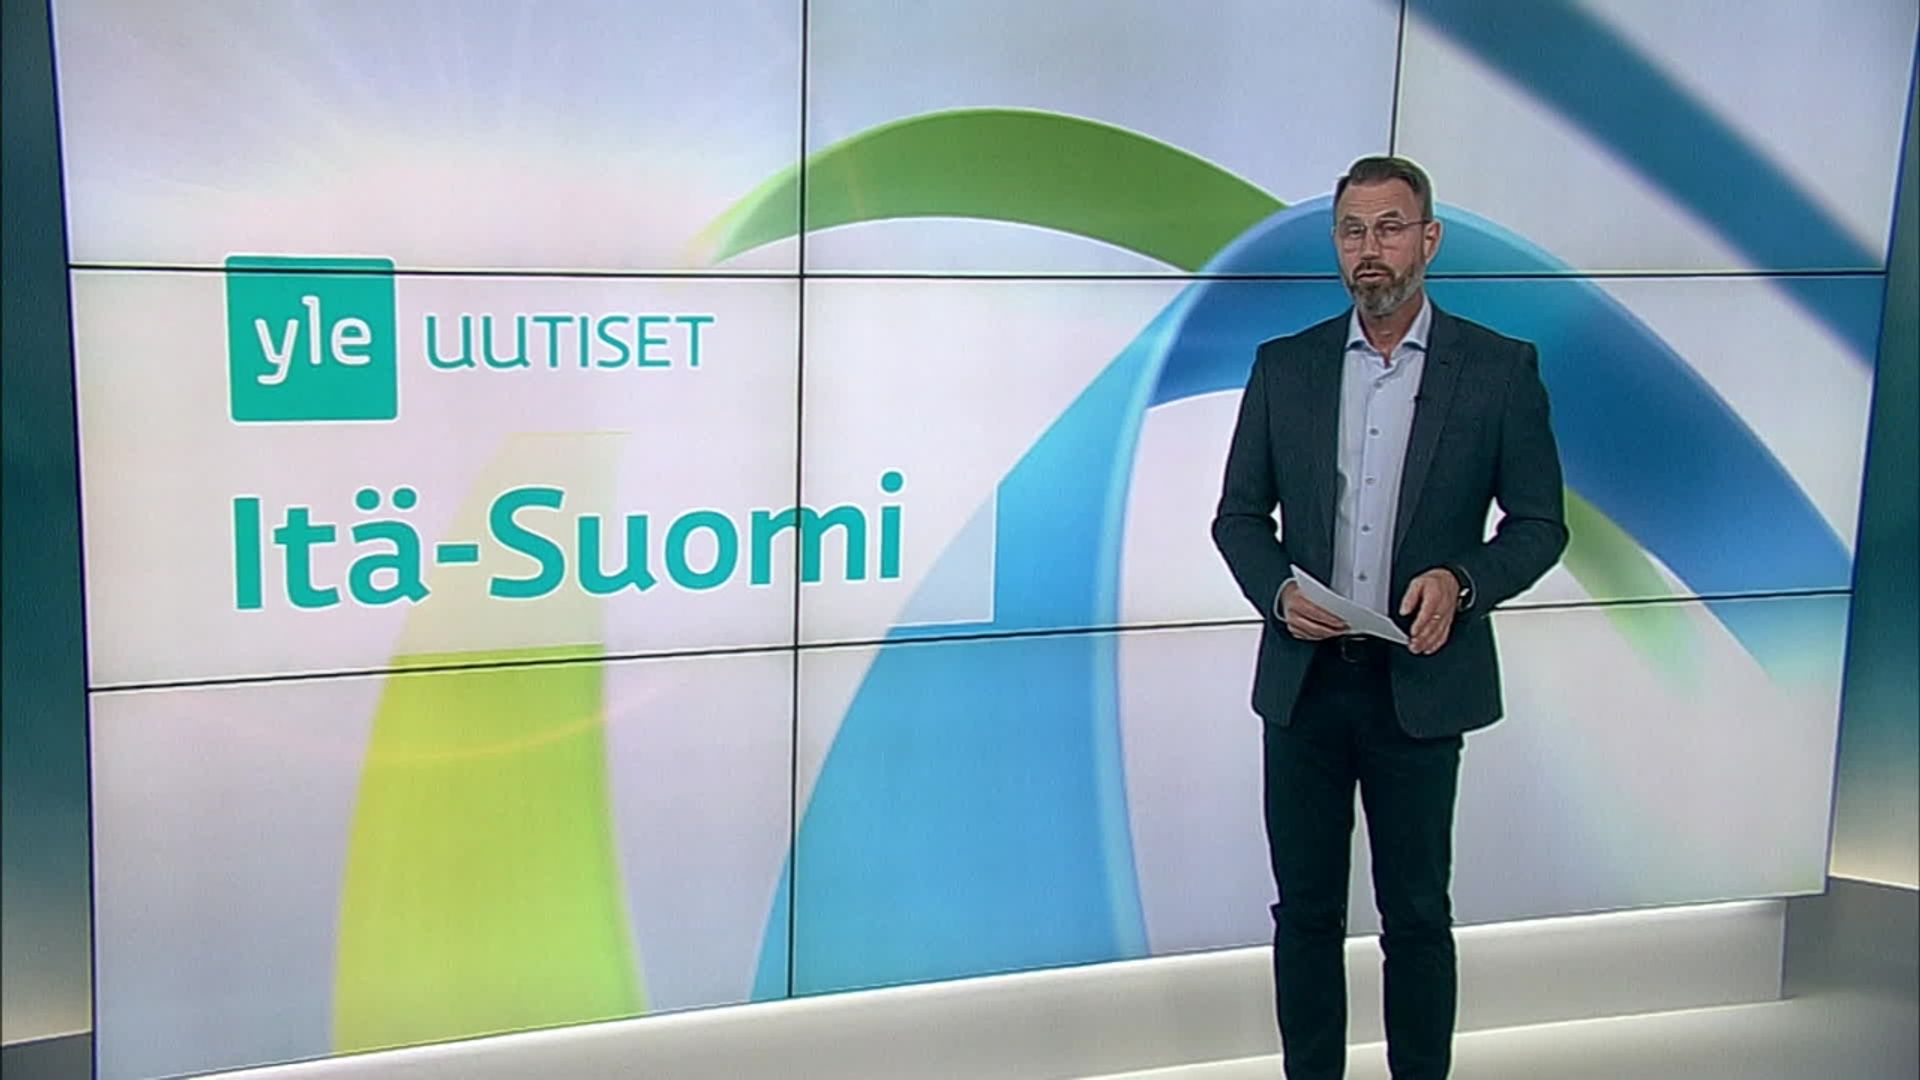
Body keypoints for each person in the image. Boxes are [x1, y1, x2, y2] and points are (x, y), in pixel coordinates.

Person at [1211, 156, 1568, 1079]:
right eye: (1353, 231)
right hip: (1305, 689)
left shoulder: (1498, 370)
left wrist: (1463, 581)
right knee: (1305, 915)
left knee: (1415, 917)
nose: (1370, 250)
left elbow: (1539, 524)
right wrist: (1279, 593)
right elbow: (1239, 518)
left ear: (1429, 240)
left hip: (1420, 686)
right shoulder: (1285, 367)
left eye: (1390, 228)